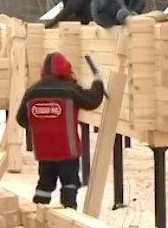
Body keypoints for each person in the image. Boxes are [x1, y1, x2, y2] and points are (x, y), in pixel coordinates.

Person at [15, 52, 104, 209]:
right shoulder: (69, 90)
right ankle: (69, 214)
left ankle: (38, 215)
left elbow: (21, 119)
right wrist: (98, 81)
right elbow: (92, 101)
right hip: (67, 151)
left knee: (45, 184)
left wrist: (41, 124)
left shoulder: (31, 92)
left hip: (44, 153)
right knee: (70, 183)